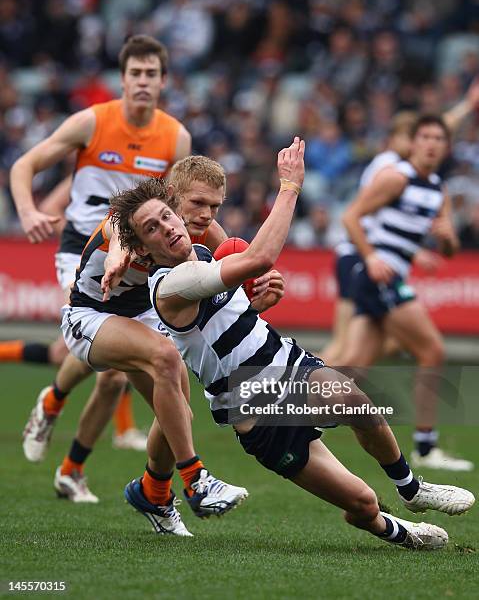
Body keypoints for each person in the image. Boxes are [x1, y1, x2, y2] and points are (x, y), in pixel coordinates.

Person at [111, 137, 474, 549]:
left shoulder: (203, 250)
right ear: (142, 246)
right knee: (362, 501)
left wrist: (257, 300)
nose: (172, 226)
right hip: (256, 411)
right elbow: (260, 257)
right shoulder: (170, 284)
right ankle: (387, 526)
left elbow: (238, 305)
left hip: (288, 367)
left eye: (166, 218)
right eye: (153, 228)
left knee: (353, 399)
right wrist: (290, 186)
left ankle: (411, 490)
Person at [25, 156, 274, 503]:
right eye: (198, 203)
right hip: (90, 312)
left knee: (177, 415)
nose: (205, 215)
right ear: (172, 195)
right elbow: (117, 229)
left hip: (143, 313)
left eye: (215, 207)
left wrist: (262, 287)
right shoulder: (140, 219)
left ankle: (152, 493)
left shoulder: (208, 232)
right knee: (160, 358)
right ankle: (195, 478)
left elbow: (235, 276)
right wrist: (116, 256)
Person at [9, 34, 192, 452]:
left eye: (151, 73)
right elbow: (25, 165)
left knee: (113, 374)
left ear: (163, 81)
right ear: (122, 80)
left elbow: (177, 206)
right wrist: (28, 211)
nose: (143, 81)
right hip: (82, 250)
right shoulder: (93, 121)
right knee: (111, 368)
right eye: (135, 73)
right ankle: (59, 414)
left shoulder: (175, 137)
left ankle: (67, 449)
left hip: (138, 254)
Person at [341, 114, 473, 471]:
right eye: (425, 136)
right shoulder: (396, 178)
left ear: (446, 147)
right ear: (412, 142)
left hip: (388, 276)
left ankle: (286, 417)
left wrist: (446, 237)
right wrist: (370, 258)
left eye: (438, 138)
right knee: (432, 350)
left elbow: (449, 251)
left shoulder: (438, 190)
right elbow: (351, 216)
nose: (431, 143)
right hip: (381, 277)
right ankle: (426, 447)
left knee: (354, 367)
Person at [321, 78, 479, 366]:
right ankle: (292, 388)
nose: (424, 143)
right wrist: (467, 105)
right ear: (398, 139)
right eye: (416, 137)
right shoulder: (390, 167)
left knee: (357, 354)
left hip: (367, 255)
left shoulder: (415, 177)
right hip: (359, 255)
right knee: (346, 350)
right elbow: (359, 217)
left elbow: (388, 220)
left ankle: (305, 394)